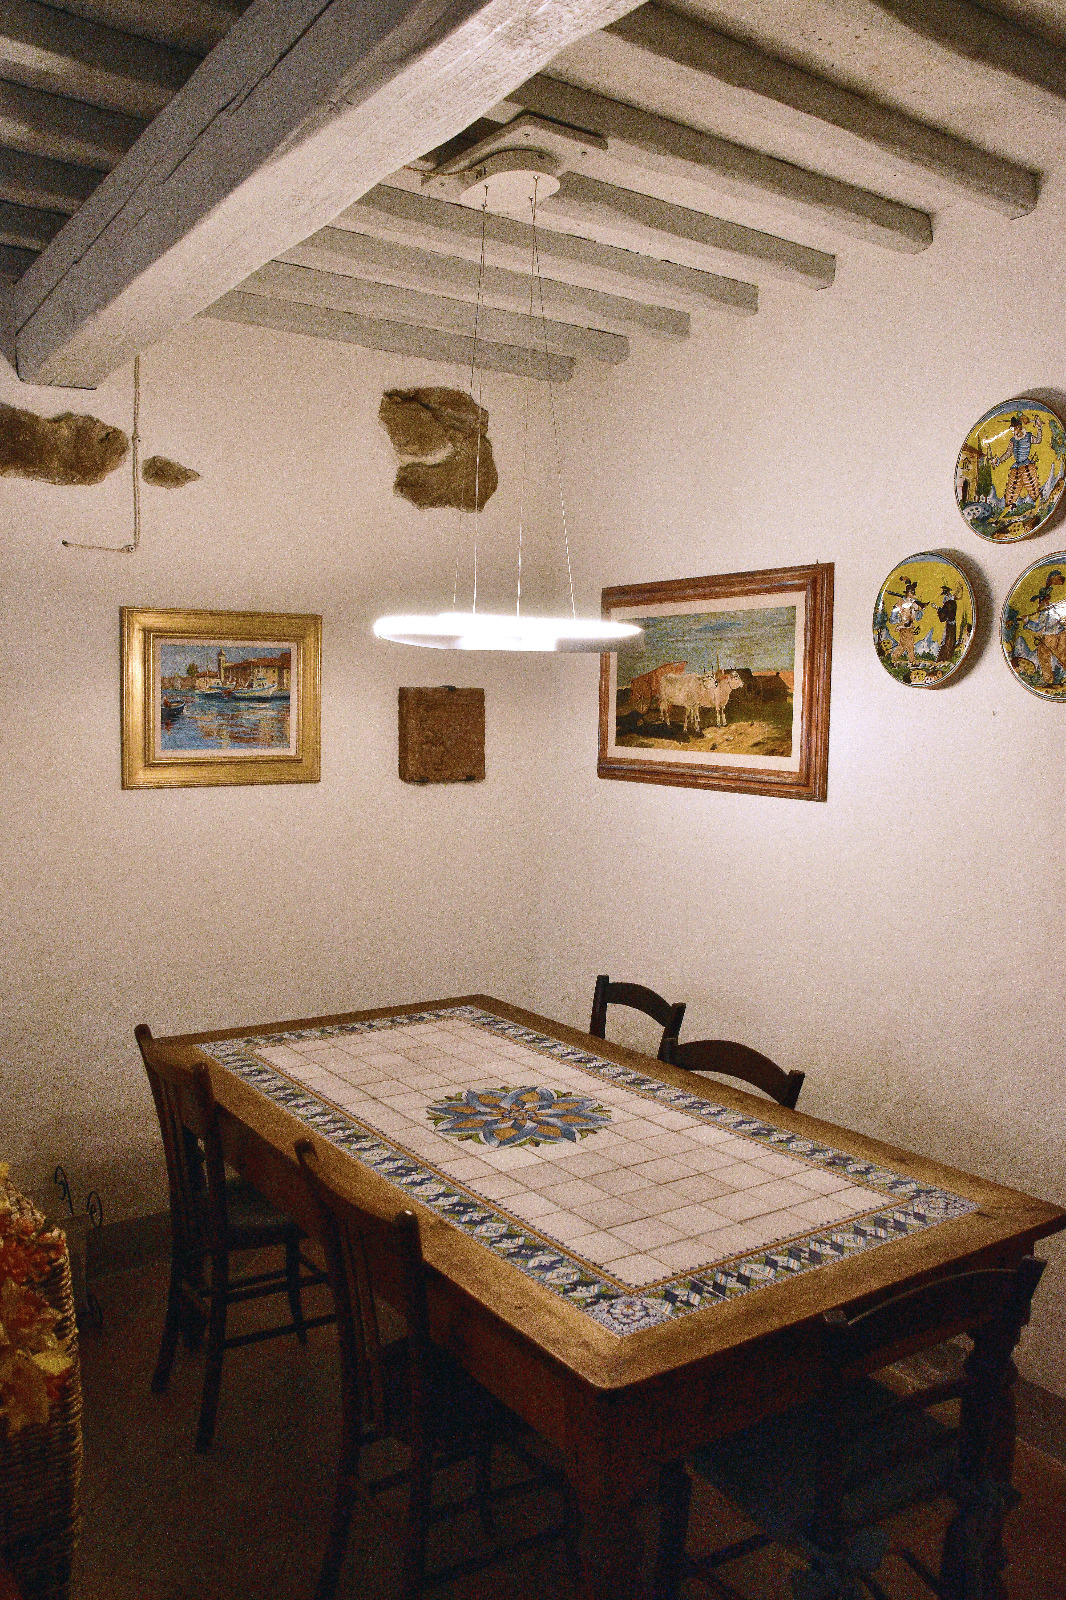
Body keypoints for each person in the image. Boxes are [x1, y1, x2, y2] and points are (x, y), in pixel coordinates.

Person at [991, 413, 1044, 510]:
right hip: (1016, 467)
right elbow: (1008, 453)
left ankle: (1039, 505)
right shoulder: (1013, 440)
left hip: (1027, 465)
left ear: (1019, 427)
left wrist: (1039, 428)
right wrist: (998, 460)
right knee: (1012, 489)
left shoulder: (1028, 436)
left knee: (1033, 487)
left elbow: (1038, 440)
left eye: (1014, 428)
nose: (1013, 431)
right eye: (1013, 429)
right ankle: (1009, 508)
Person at [888, 577, 929, 667]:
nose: (912, 595)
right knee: (909, 644)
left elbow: (917, 617)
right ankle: (912, 662)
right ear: (907, 593)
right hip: (904, 627)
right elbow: (892, 618)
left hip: (909, 627)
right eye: (911, 592)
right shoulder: (900, 603)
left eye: (913, 593)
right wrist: (901, 620)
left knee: (903, 645)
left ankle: (893, 660)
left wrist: (921, 609)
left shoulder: (913, 604)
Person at [936, 584, 958, 663]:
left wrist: (938, 609)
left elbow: (945, 614)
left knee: (948, 639)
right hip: (951, 623)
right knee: (947, 639)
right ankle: (946, 656)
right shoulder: (951, 601)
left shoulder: (949, 602)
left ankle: (946, 657)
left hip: (950, 623)